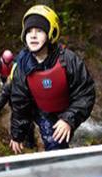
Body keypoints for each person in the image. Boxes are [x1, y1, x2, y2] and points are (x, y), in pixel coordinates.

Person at [6, 5, 96, 154]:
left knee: (61, 139)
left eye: (39, 31)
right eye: (29, 31)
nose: (33, 35)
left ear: (50, 34)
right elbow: (19, 103)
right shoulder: (22, 66)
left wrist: (69, 119)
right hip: (42, 111)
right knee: (54, 144)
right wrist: (17, 135)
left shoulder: (68, 59)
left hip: (68, 109)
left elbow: (85, 92)